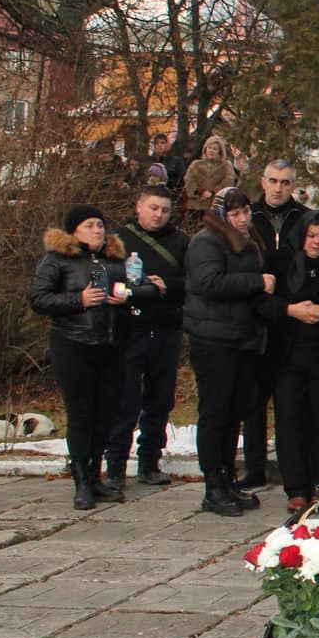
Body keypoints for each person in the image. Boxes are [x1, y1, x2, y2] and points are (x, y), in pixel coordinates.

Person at [30, 204, 133, 509]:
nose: (97, 230)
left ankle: (94, 474)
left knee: (106, 415)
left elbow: (133, 302)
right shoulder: (57, 259)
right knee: (81, 414)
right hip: (73, 343)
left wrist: (127, 300)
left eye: (100, 225)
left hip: (111, 344)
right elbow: (38, 298)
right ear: (74, 231)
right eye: (89, 225)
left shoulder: (115, 260)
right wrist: (78, 299)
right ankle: (81, 482)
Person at [184, 188, 272, 516]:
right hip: (213, 339)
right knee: (215, 413)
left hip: (241, 338)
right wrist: (257, 282)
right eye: (235, 214)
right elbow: (210, 283)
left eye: (246, 212)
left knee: (235, 410)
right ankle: (212, 484)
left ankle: (226, 475)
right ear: (222, 215)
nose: (242, 219)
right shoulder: (206, 242)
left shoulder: (249, 240)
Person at [267, 211, 319, 512]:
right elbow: (264, 303)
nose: (316, 242)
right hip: (288, 355)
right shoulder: (281, 262)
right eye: (311, 236)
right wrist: (292, 310)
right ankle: (296, 488)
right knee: (290, 422)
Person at [108, 185, 187, 491]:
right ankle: (115, 464)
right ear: (138, 205)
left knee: (160, 400)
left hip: (165, 329)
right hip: (129, 330)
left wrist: (167, 285)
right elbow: (105, 275)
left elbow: (192, 281)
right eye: (153, 208)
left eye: (165, 210)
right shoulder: (118, 239)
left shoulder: (180, 242)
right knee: (125, 401)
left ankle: (150, 461)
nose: (158, 215)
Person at [241, 159, 310, 492]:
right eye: (273, 180)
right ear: (262, 180)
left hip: (294, 317)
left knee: (289, 404)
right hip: (255, 316)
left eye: (285, 182)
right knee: (254, 401)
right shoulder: (247, 217)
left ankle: (290, 469)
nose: (278, 187)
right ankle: (254, 466)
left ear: (293, 185)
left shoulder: (305, 218)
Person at [181, 136, 236, 228]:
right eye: (209, 148)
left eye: (215, 149)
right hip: (195, 206)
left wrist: (213, 193)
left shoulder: (226, 165)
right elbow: (189, 181)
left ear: (220, 151)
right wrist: (200, 192)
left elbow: (229, 181)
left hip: (215, 206)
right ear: (205, 149)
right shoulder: (195, 164)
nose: (211, 151)